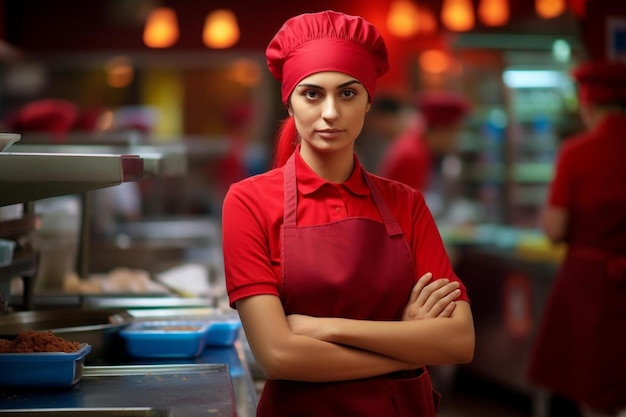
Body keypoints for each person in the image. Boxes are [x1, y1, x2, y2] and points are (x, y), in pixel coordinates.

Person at [221, 10, 474, 417]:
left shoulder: (406, 203)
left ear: (369, 102)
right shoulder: (248, 202)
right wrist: (409, 346)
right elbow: (279, 357)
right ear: (289, 102)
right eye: (312, 94)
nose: (331, 113)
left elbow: (459, 341)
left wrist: (324, 328)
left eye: (348, 93)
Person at [526, 60, 626, 417]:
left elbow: (554, 229)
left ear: (587, 104)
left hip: (591, 287)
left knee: (595, 393)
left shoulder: (577, 152)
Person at [377, 91, 471, 218]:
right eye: (454, 132)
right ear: (441, 130)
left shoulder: (419, 146)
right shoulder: (412, 154)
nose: (455, 139)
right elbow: (407, 213)